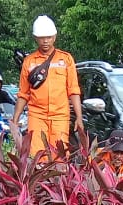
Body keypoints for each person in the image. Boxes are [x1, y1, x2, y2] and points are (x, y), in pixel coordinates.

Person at [12, 15, 83, 157]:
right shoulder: (29, 62)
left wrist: (79, 118)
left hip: (60, 116)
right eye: (41, 37)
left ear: (55, 37)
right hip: (37, 116)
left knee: (60, 157)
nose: (45, 41)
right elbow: (23, 94)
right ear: (35, 38)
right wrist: (15, 119)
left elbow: (73, 90)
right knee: (38, 156)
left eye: (49, 37)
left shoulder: (66, 59)